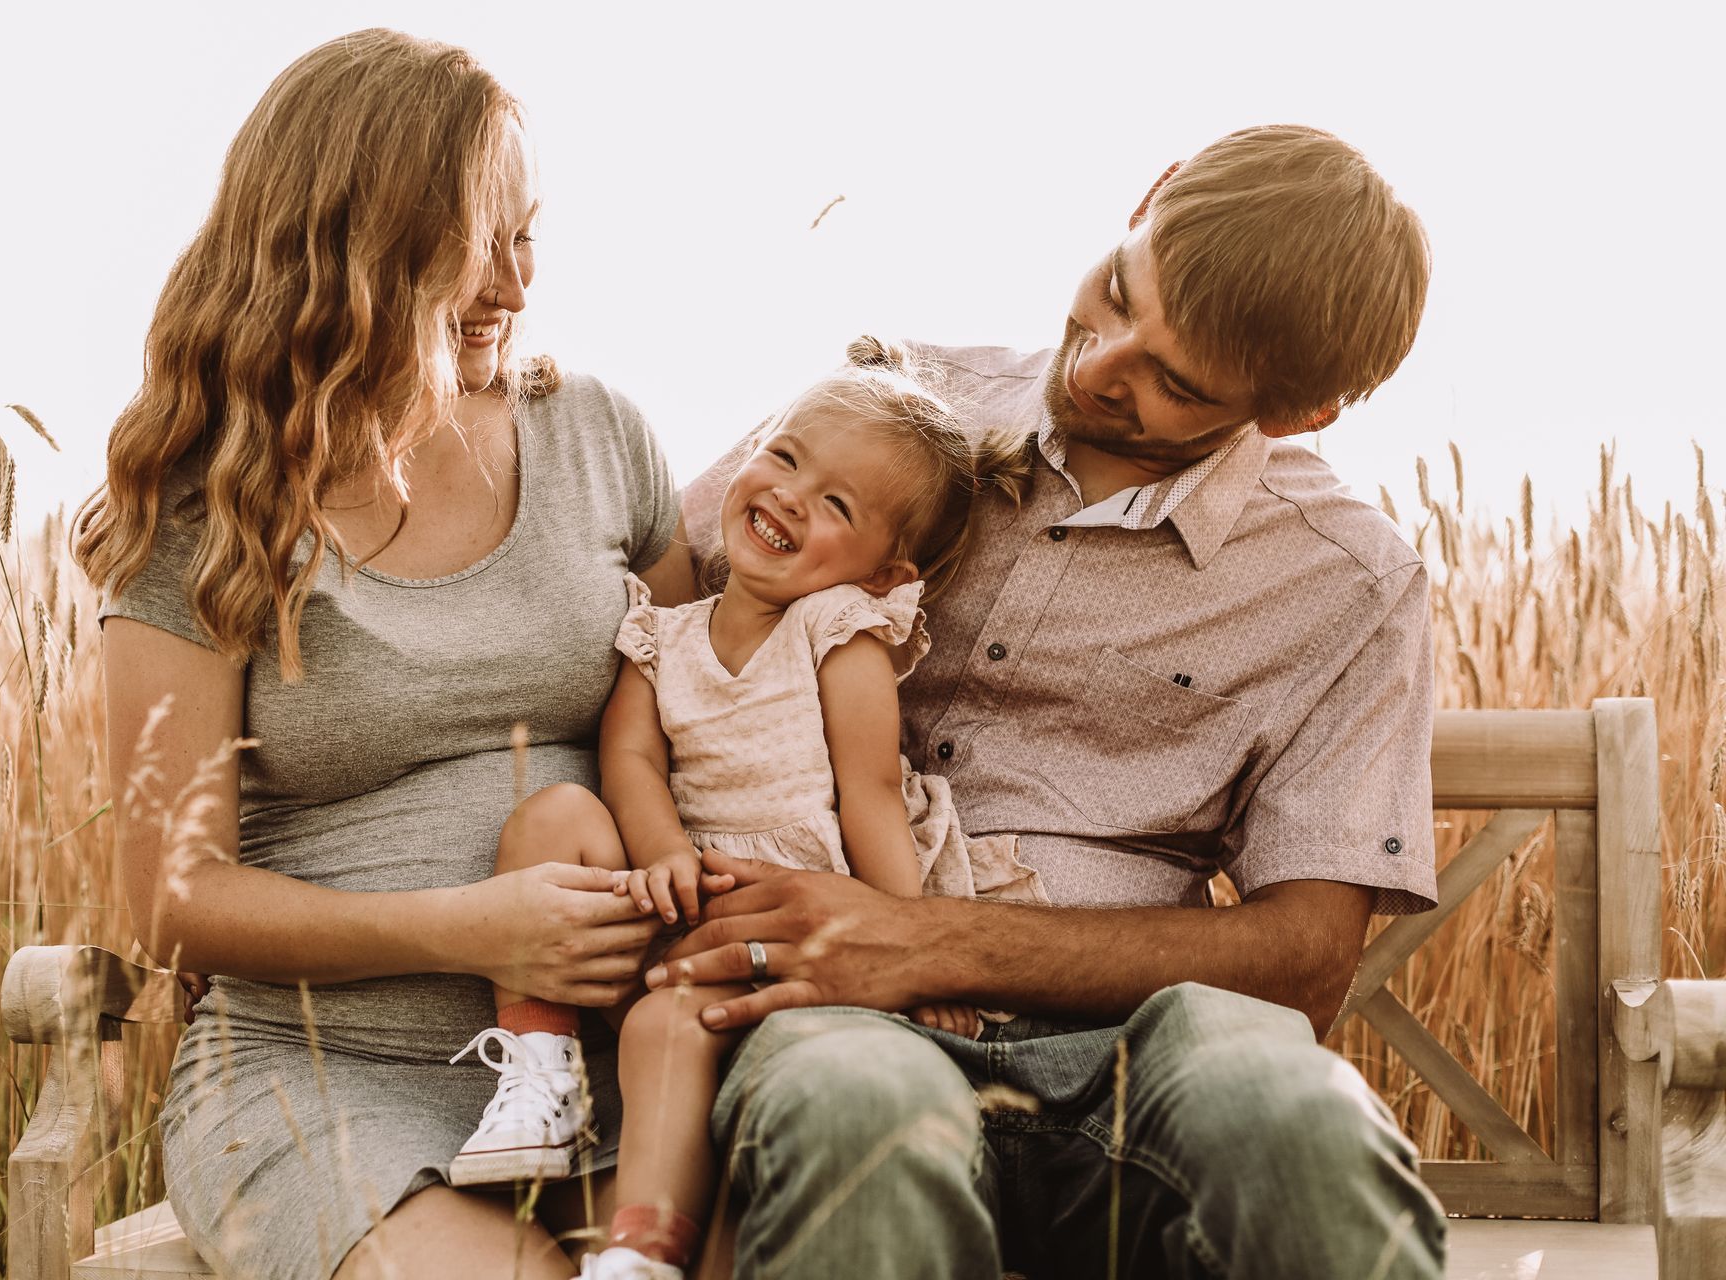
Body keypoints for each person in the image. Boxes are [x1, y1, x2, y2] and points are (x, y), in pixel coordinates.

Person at [657, 125, 1448, 1279]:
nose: (1097, 367)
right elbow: (650, 601)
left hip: (1139, 1041)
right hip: (840, 1015)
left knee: (1305, 1133)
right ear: (1151, 193)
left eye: (1174, 382)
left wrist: (925, 940)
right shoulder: (893, 401)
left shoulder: (1351, 581)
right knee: (852, 1115)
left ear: (1295, 412)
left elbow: (1305, 959)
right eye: (1118, 291)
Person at [74, 30, 696, 1280]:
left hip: (631, 1067)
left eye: (528, 236)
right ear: (350, 247)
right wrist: (474, 931)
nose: (515, 284)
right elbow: (173, 898)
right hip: (321, 1077)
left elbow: (704, 719)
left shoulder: (599, 437)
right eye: (475, 243)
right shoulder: (209, 502)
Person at [445, 339, 1044, 1279]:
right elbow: (632, 757)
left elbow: (870, 797)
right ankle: (541, 1072)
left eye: (838, 505)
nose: (792, 497)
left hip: (802, 916)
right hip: (687, 894)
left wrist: (913, 947)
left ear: (884, 574)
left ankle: (641, 1250)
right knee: (553, 814)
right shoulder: (662, 632)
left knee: (665, 1028)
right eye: (786, 457)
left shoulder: (839, 633)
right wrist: (662, 851)